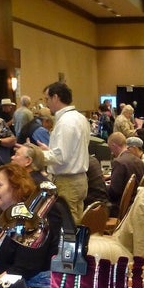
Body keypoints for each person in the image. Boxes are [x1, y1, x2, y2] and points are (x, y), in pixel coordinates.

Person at [43, 80, 90, 220]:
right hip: (79, 180)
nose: (46, 103)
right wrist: (48, 150)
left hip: (68, 182)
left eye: (47, 99)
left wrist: (35, 154)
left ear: (56, 97)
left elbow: (60, 157)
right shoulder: (80, 118)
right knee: (75, 222)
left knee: (69, 227)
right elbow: (72, 151)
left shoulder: (66, 121)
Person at [106, 131, 144, 216]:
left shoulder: (119, 162)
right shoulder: (139, 160)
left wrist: (103, 186)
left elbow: (114, 192)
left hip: (123, 207)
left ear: (113, 145)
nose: (112, 152)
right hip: (137, 203)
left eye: (110, 148)